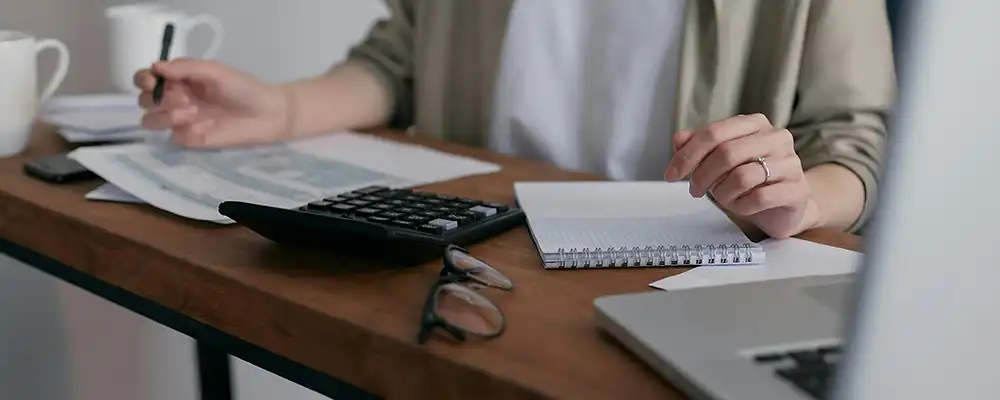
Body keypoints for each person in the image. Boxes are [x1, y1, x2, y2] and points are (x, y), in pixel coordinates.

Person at [133, 0, 896, 239]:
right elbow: (400, 62)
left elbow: (856, 142)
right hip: (477, 249)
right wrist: (284, 108)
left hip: (682, 267)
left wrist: (800, 200)